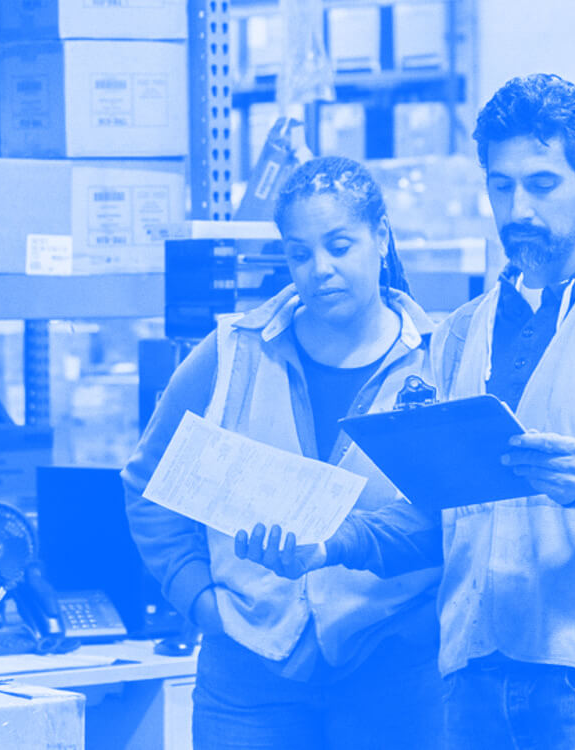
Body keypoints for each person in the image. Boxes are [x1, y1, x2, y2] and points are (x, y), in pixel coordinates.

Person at [239, 74, 575, 749]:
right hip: (474, 683)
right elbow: (440, 522)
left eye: (541, 184)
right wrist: (331, 545)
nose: (518, 209)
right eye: (501, 187)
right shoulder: (460, 333)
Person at [122, 155, 444, 750]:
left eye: (339, 245)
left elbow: (470, 515)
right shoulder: (229, 355)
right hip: (247, 680)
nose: (320, 269)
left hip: (395, 674)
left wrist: (425, 627)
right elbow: (148, 486)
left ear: (381, 237)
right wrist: (202, 601)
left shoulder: (443, 361)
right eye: (300, 253)